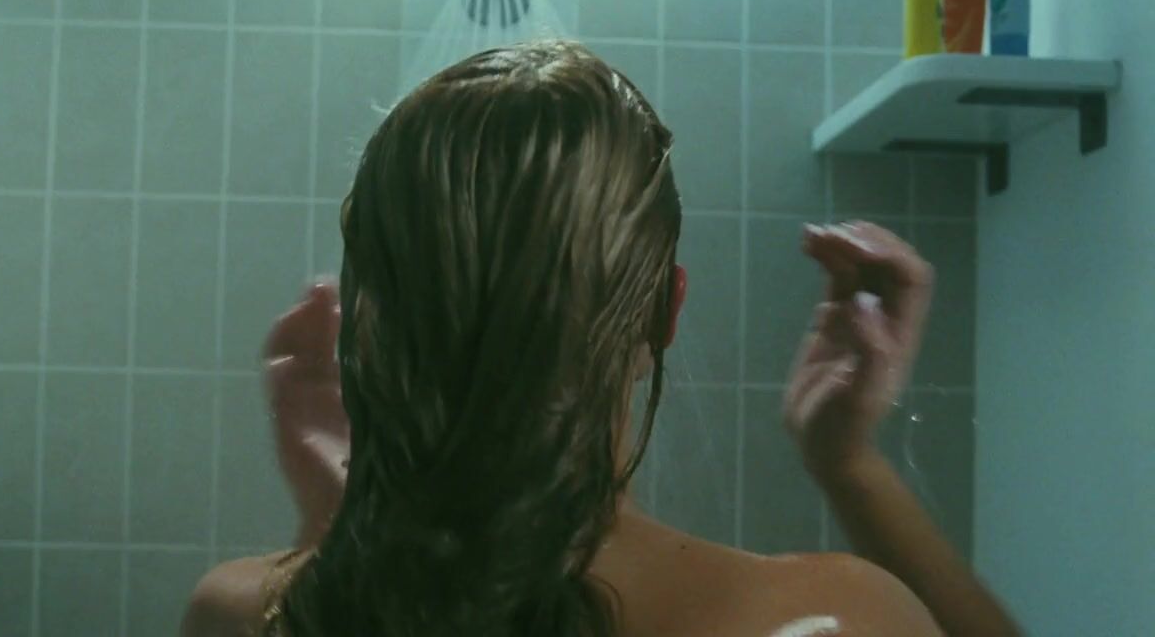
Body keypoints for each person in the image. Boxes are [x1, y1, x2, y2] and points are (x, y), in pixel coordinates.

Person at [182, 41, 1018, 637]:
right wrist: (849, 462)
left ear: (371, 316)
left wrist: (336, 530)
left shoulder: (242, 614)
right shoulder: (833, 618)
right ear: (663, 311)